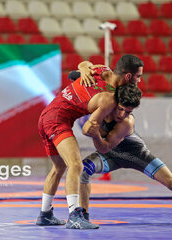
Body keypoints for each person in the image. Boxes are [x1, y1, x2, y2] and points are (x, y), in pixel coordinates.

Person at [68, 68, 172, 226]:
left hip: (136, 154)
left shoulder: (126, 123)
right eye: (120, 109)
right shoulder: (105, 102)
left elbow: (104, 147)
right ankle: (84, 216)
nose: (122, 115)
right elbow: (93, 74)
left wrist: (95, 133)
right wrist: (83, 71)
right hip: (111, 156)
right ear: (115, 102)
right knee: (83, 169)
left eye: (128, 112)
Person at [36, 55, 144, 229]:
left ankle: (45, 214)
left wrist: (83, 67)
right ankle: (74, 216)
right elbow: (88, 127)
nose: (139, 80)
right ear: (128, 77)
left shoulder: (101, 70)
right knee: (76, 165)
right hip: (57, 120)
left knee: (59, 167)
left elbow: (78, 70)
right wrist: (101, 134)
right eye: (138, 76)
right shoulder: (109, 99)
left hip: (47, 114)